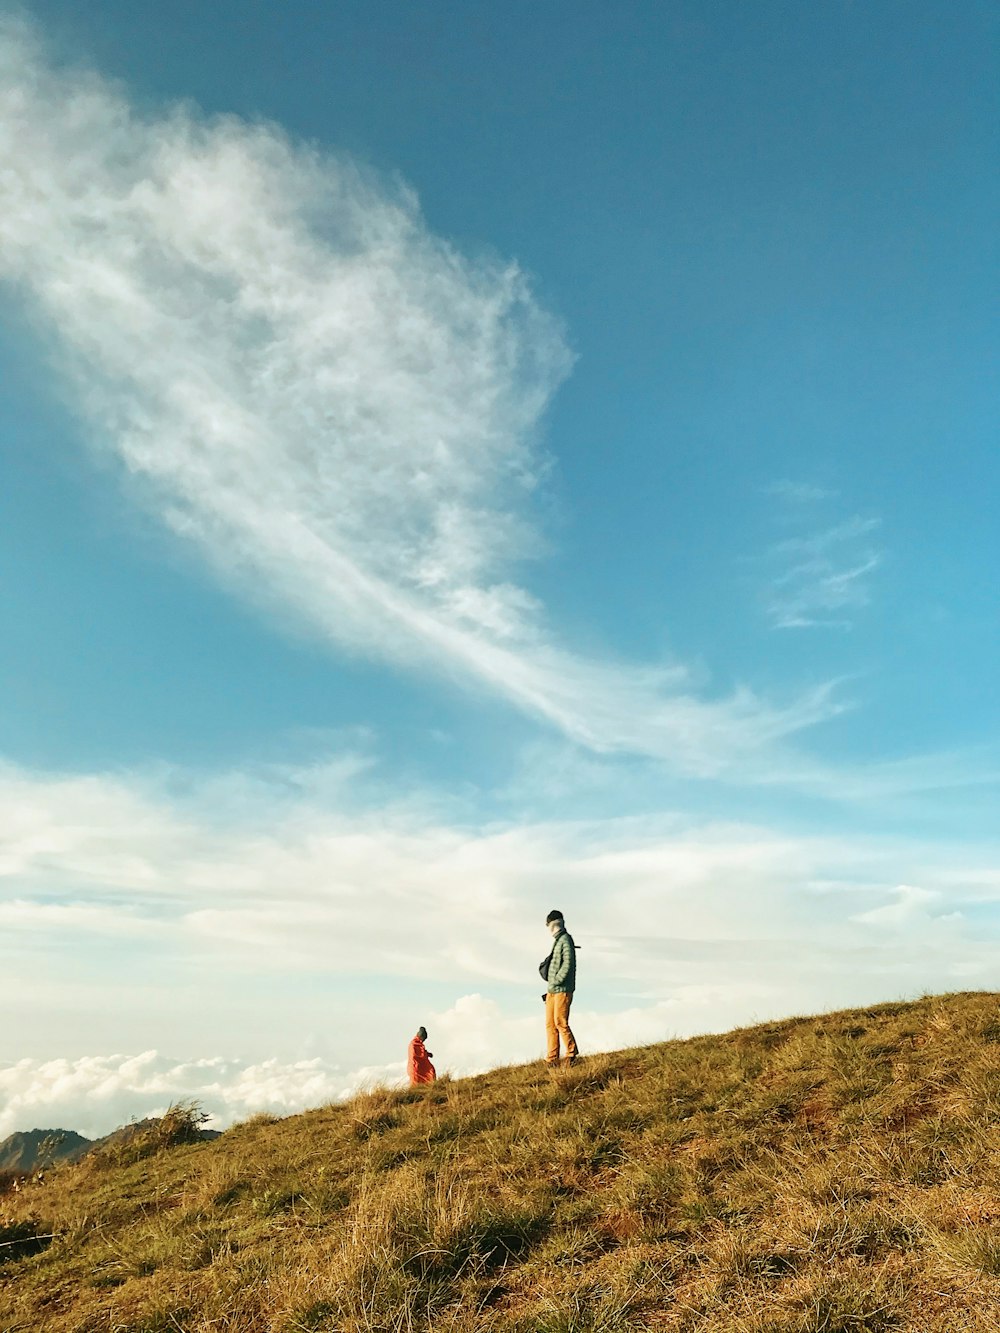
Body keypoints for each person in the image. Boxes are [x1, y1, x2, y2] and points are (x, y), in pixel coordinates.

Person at [542, 909, 578, 1067]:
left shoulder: (565, 940)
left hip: (562, 989)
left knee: (560, 1022)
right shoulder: (559, 940)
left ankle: (571, 1054)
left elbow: (568, 964)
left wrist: (556, 980)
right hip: (553, 990)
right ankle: (552, 1057)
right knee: (550, 1024)